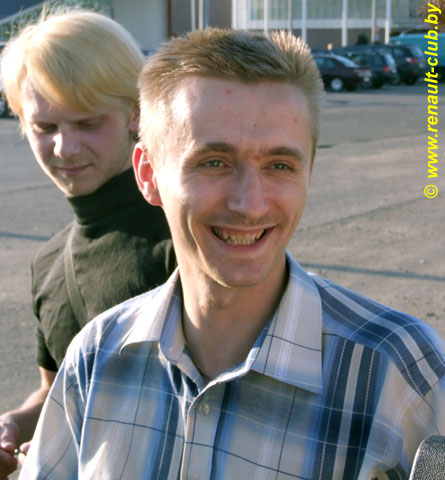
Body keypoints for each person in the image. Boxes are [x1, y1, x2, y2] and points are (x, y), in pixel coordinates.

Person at [20, 28, 444, 479]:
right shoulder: (94, 359)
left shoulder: (403, 377)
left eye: (279, 165)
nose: (250, 204)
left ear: (309, 172)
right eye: (214, 163)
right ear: (148, 174)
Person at [0, 10, 175, 478]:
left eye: (87, 122)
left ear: (136, 113)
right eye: (45, 127)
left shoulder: (183, 238)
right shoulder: (48, 262)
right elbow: (56, 390)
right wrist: (14, 424)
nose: (65, 148)